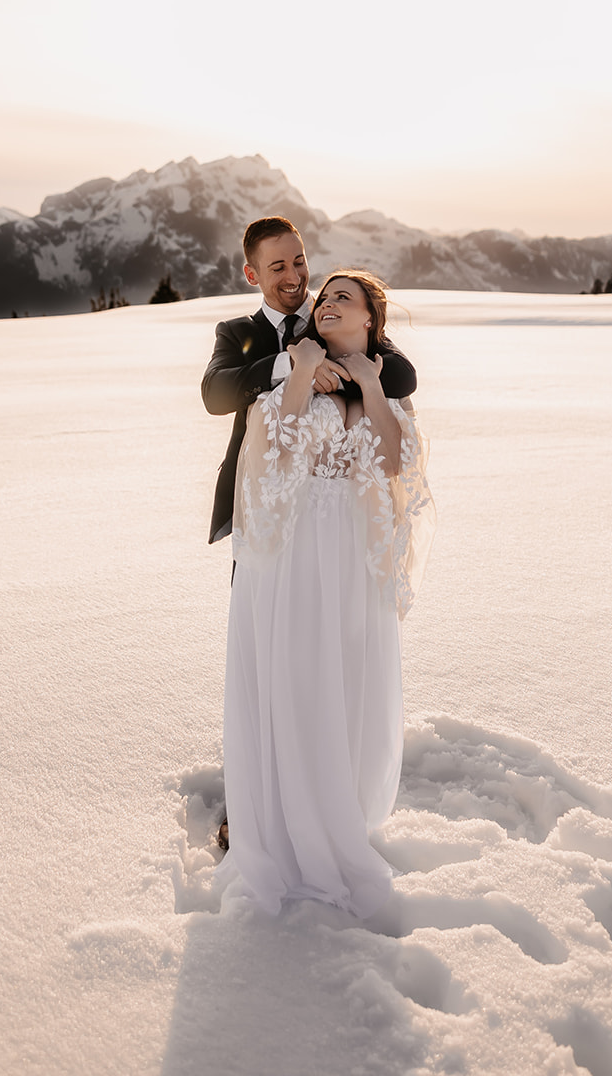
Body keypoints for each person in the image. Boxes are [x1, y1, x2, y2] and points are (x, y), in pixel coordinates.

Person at [218, 268, 434, 919]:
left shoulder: (380, 382)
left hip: (349, 556)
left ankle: (336, 814)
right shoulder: (294, 370)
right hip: (290, 555)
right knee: (292, 678)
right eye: (326, 297)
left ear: (371, 319)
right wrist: (297, 375)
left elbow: (394, 462)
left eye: (346, 297)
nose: (328, 303)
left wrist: (368, 384)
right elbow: (274, 452)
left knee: (340, 683)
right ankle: (278, 829)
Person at [201, 217, 417, 547]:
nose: (294, 277)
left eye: (299, 262)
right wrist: (291, 366)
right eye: (278, 268)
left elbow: (401, 373)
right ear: (251, 275)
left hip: (339, 514)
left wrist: (332, 373)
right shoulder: (236, 332)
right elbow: (215, 394)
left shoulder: (335, 315)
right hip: (260, 503)